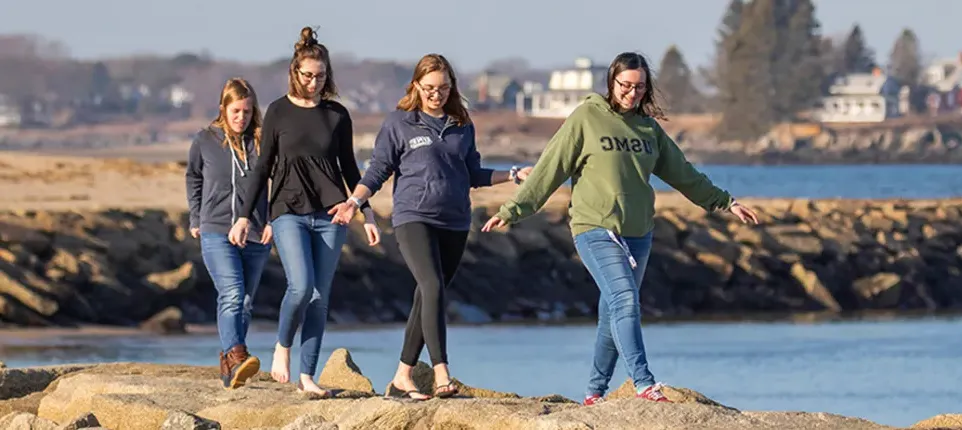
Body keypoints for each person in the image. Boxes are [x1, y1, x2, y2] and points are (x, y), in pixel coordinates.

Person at [481, 52, 760, 405]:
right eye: (625, 85)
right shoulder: (586, 117)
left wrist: (726, 202)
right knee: (626, 300)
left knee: (612, 312)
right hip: (594, 228)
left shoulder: (648, 129)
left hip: (638, 233)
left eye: (639, 87)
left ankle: (594, 392)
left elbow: (684, 175)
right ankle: (644, 382)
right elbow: (550, 167)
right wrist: (515, 208)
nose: (631, 93)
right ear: (612, 82)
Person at [329, 53, 531, 400]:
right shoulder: (400, 123)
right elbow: (378, 170)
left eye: (442, 88)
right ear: (416, 86)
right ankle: (441, 374)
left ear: (451, 88)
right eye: (429, 88)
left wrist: (512, 174)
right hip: (413, 217)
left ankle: (402, 376)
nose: (435, 94)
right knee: (433, 286)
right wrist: (355, 201)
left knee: (427, 297)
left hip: (454, 221)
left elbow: (473, 174)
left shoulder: (462, 124)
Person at [229, 26, 378, 395]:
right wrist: (246, 215)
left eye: (321, 76)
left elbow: (349, 167)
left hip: (332, 215)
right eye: (308, 75)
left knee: (319, 297)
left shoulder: (338, 115)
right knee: (301, 286)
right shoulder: (278, 111)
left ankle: (307, 376)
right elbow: (262, 167)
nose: (314, 82)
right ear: (295, 73)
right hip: (288, 210)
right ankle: (283, 347)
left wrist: (367, 211)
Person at [185, 77, 272, 390]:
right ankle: (238, 354)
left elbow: (277, 184)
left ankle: (229, 364)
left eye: (247, 112)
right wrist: (196, 216)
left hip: (257, 231)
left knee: (246, 302)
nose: (241, 118)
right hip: (216, 229)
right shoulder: (205, 140)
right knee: (232, 294)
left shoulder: (263, 142)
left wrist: (272, 220)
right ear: (223, 108)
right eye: (236, 111)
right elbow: (193, 177)